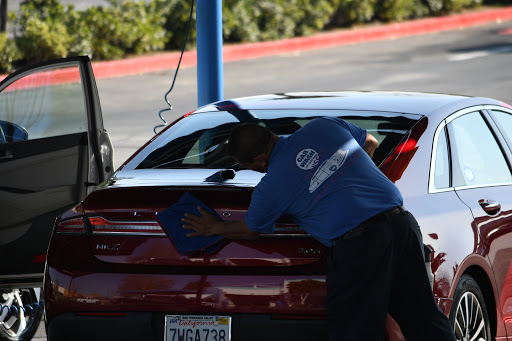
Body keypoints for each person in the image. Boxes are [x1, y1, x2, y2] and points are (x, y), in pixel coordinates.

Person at [182, 117, 456, 341]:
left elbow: (252, 230)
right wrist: (356, 184)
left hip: (360, 244)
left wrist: (214, 227)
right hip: (401, 223)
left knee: (355, 329)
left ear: (257, 161)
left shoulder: (272, 186)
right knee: (422, 316)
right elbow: (370, 142)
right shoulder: (322, 126)